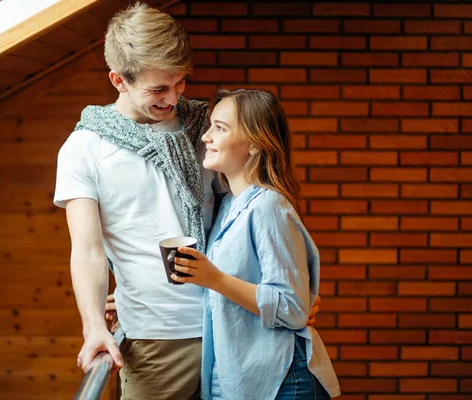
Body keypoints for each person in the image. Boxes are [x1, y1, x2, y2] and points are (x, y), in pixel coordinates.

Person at [54, 2, 320, 399]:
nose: (174, 98)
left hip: (237, 325)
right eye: (158, 88)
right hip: (158, 337)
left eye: (180, 83)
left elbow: (256, 210)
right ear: (118, 80)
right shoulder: (84, 149)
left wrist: (293, 295)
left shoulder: (207, 129)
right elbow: (88, 250)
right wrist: (93, 323)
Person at [170, 89, 340, 399]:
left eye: (220, 128)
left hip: (283, 383)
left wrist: (215, 279)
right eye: (210, 126)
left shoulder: (268, 206)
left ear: (254, 143)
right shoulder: (228, 207)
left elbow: (293, 308)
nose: (206, 136)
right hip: (239, 381)